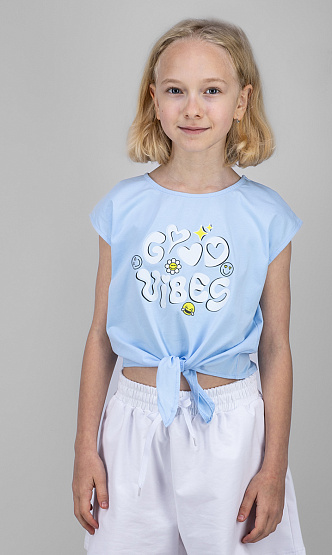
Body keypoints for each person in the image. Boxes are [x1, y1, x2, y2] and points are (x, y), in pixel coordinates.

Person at [72, 17, 306, 555]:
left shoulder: (267, 217)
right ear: (154, 100)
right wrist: (86, 446)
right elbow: (100, 336)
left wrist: (274, 466)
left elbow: (276, 346)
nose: (193, 108)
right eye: (176, 91)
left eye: (212, 91)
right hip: (133, 425)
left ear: (242, 101)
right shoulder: (122, 208)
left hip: (230, 428)